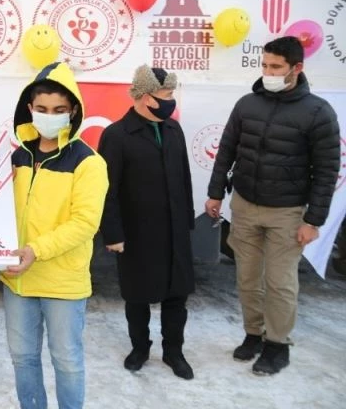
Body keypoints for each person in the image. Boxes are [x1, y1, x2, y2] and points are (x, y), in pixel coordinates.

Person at [0, 62, 108, 409]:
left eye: (59, 109)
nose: (49, 116)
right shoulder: (15, 158)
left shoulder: (88, 162)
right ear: (29, 107)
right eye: (41, 108)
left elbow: (85, 223)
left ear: (73, 111)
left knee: (67, 360)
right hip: (17, 278)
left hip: (62, 280)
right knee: (23, 355)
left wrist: (35, 249)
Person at [205, 36, 340, 376]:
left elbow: (327, 171)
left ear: (297, 68)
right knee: (247, 278)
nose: (268, 72)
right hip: (244, 205)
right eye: (265, 65)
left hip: (288, 213)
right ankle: (253, 334)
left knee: (280, 283)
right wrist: (216, 193)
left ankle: (277, 345)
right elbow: (226, 150)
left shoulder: (318, 112)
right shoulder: (247, 104)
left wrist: (314, 220)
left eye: (276, 67)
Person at [98, 65, 196, 380]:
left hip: (174, 231)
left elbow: (184, 178)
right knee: (137, 295)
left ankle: (173, 351)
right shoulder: (116, 136)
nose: (170, 102)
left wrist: (187, 221)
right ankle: (140, 348)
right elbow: (106, 190)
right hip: (137, 233)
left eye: (171, 95)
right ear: (144, 97)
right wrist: (112, 233)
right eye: (165, 96)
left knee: (176, 296)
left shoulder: (174, 130)